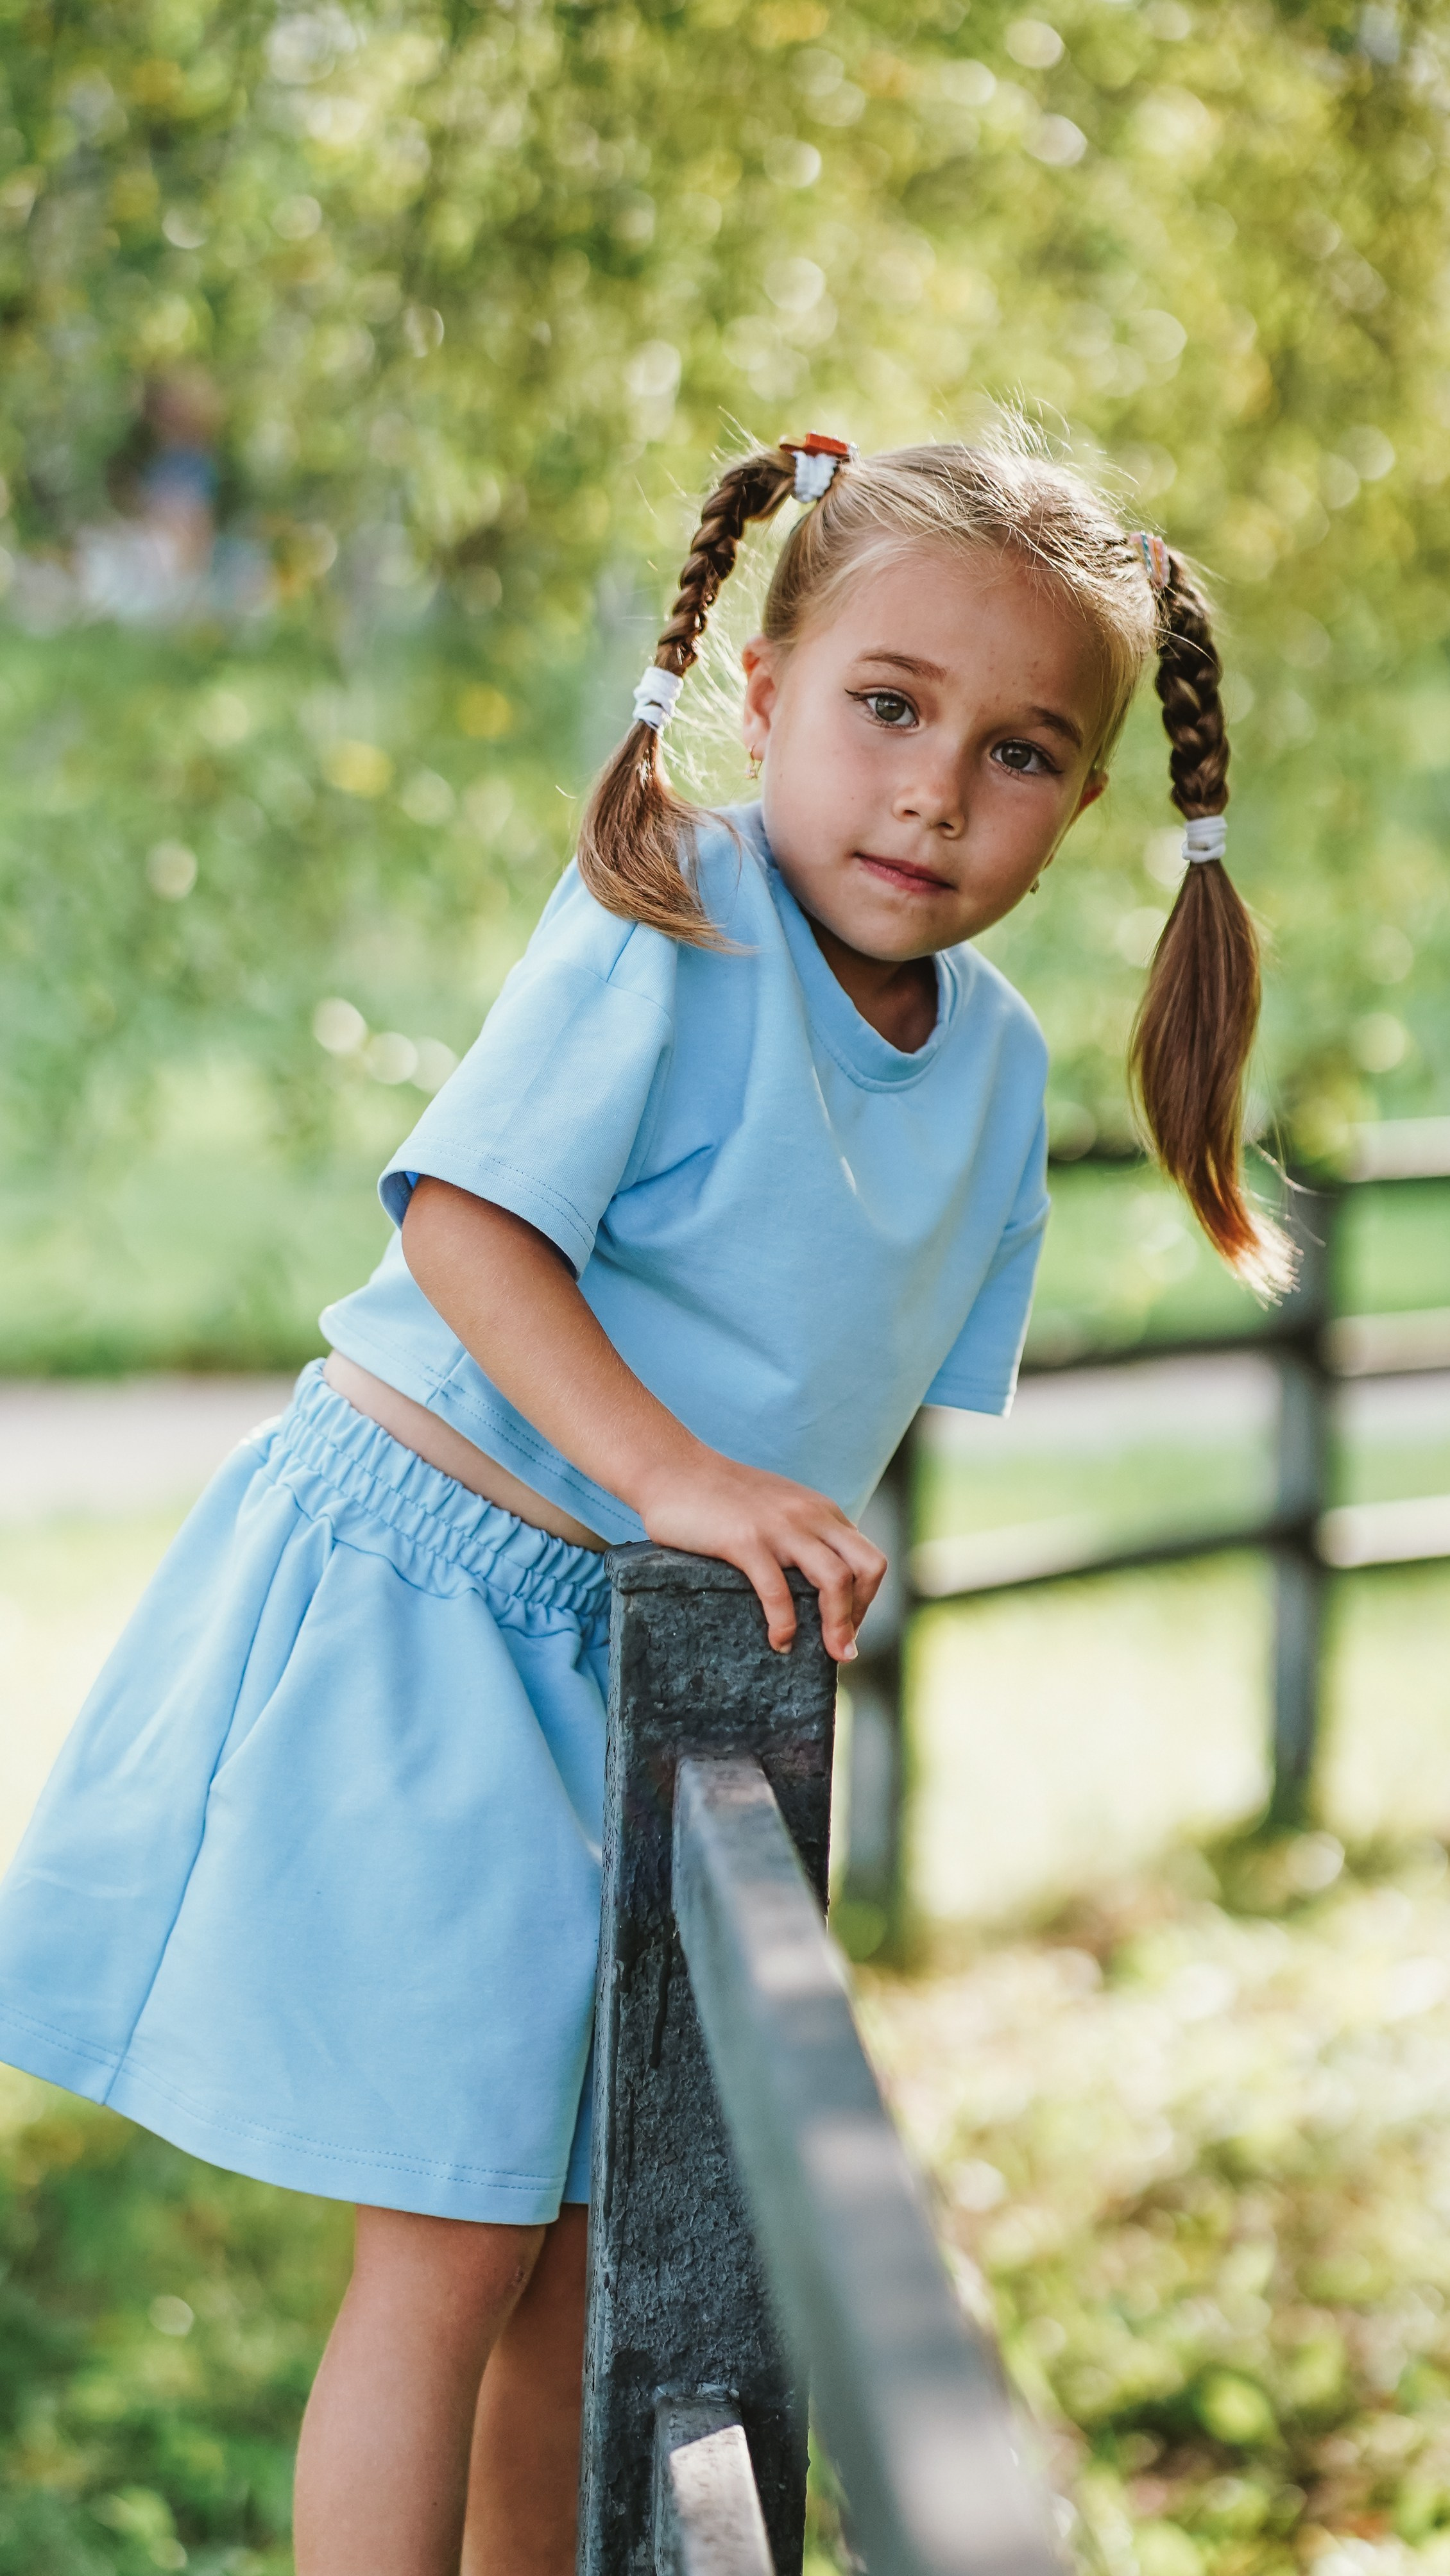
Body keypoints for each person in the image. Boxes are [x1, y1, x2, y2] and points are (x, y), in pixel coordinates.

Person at [0, 432, 1287, 2576]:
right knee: (450, 2255)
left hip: (644, 1679)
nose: (935, 791)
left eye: (1020, 751)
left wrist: (762, 1539)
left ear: (1088, 804)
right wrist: (684, 1481)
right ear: (763, 691)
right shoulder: (671, 915)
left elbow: (838, 1391)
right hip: (428, 1618)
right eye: (887, 707)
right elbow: (465, 1234)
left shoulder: (987, 1066)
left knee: (613, 2259)